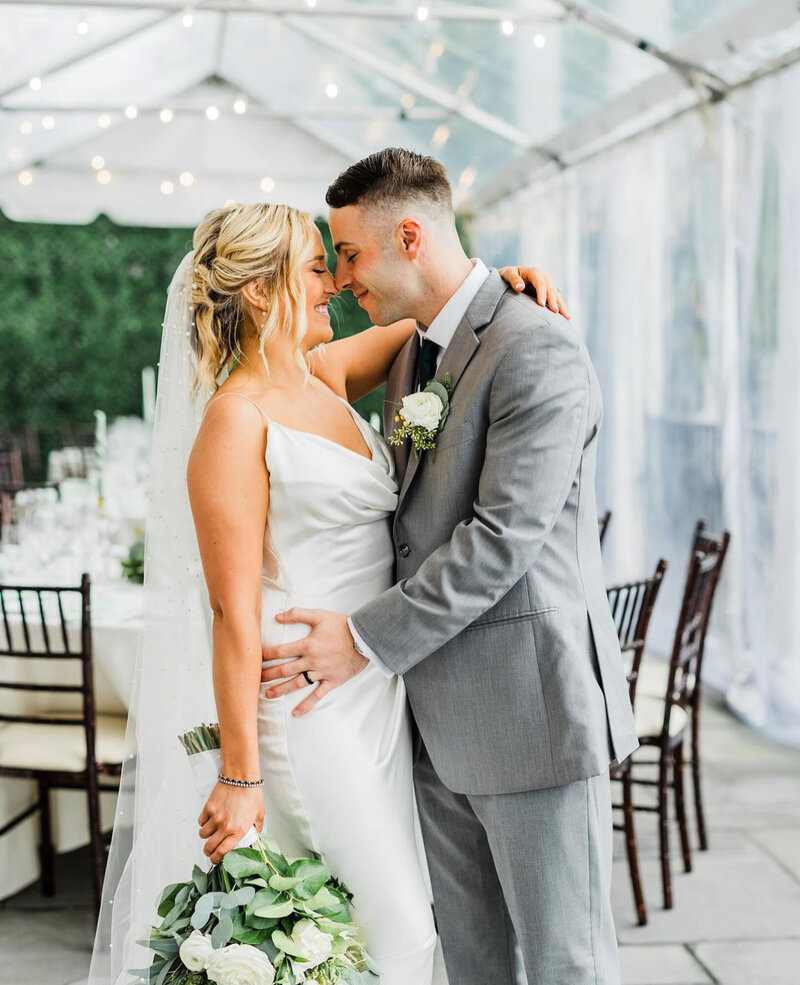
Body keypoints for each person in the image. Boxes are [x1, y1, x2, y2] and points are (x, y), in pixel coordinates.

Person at [88, 198, 563, 985]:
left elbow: (438, 318)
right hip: (306, 711)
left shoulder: (324, 374)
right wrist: (240, 779)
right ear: (262, 290)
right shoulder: (233, 424)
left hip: (375, 690)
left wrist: (502, 286)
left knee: (365, 933)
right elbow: (231, 613)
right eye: (316, 268)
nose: (335, 285)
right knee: (405, 933)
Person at [260, 148, 639, 985]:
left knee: (565, 963)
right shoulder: (408, 358)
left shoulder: (536, 348)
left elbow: (502, 539)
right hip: (430, 723)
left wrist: (361, 637)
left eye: (349, 254)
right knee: (472, 966)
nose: (343, 277)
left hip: (529, 713)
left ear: (406, 235)